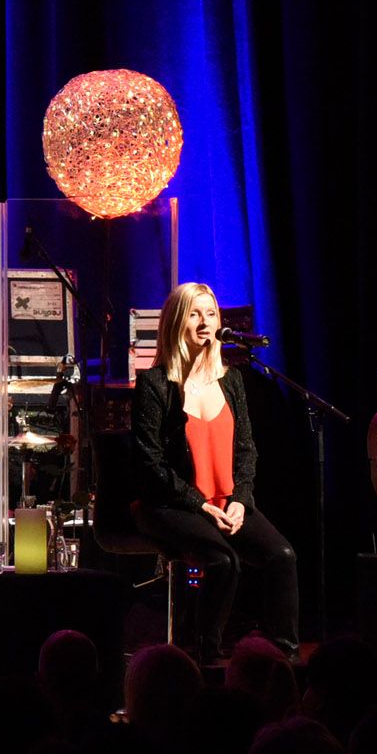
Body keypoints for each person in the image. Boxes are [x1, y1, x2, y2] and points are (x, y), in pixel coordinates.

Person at [129, 281, 299, 661]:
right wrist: (199, 504)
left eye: (211, 313)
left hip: (227, 501)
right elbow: (149, 461)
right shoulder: (155, 384)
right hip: (173, 505)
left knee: (282, 555)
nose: (205, 322)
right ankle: (205, 658)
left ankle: (286, 661)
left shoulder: (231, 380)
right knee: (223, 562)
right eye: (194, 313)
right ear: (176, 321)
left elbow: (246, 449)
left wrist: (241, 499)